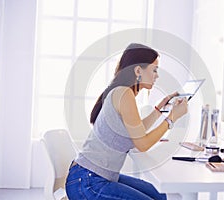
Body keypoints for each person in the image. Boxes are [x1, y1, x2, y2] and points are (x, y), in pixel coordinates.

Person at [65, 43, 188, 200]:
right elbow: (142, 144)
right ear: (138, 71)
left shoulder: (122, 92)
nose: (157, 75)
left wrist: (159, 110)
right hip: (86, 182)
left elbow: (137, 130)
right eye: (154, 70)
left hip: (91, 177)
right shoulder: (124, 94)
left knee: (160, 196)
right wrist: (171, 118)